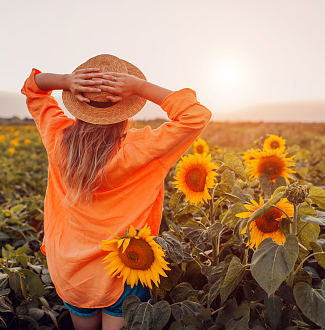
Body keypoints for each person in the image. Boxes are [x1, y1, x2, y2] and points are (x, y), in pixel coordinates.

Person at [21, 54, 211, 330]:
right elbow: (196, 114)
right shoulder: (141, 148)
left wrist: (66, 81)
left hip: (72, 271)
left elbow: (33, 87)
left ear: (78, 101)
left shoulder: (58, 138)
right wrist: (139, 87)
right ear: (127, 109)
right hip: (124, 268)